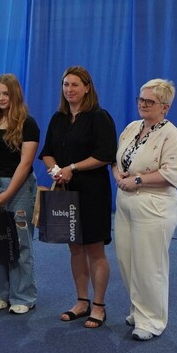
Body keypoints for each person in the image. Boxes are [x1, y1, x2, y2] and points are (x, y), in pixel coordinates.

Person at [40, 66, 117, 328]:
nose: (69, 89)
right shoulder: (58, 118)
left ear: (87, 88)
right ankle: (82, 301)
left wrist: (71, 168)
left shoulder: (99, 117)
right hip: (66, 192)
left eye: (75, 84)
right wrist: (56, 171)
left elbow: (105, 154)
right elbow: (47, 152)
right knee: (74, 248)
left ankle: (99, 305)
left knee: (95, 250)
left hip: (93, 192)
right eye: (65, 85)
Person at [112, 79, 177, 341]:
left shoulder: (172, 135)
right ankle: (138, 309)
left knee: (149, 265)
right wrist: (118, 174)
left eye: (149, 101)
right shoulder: (132, 127)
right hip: (125, 202)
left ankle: (152, 320)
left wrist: (138, 180)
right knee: (127, 260)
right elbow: (116, 160)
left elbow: (171, 174)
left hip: (154, 205)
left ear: (165, 107)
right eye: (141, 99)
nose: (143, 104)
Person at [0, 73, 39, 314]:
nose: (2, 98)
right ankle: (1, 293)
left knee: (21, 243)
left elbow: (25, 163)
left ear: (15, 95)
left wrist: (8, 193)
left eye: (6, 94)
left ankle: (23, 296)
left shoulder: (28, 124)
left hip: (20, 186)